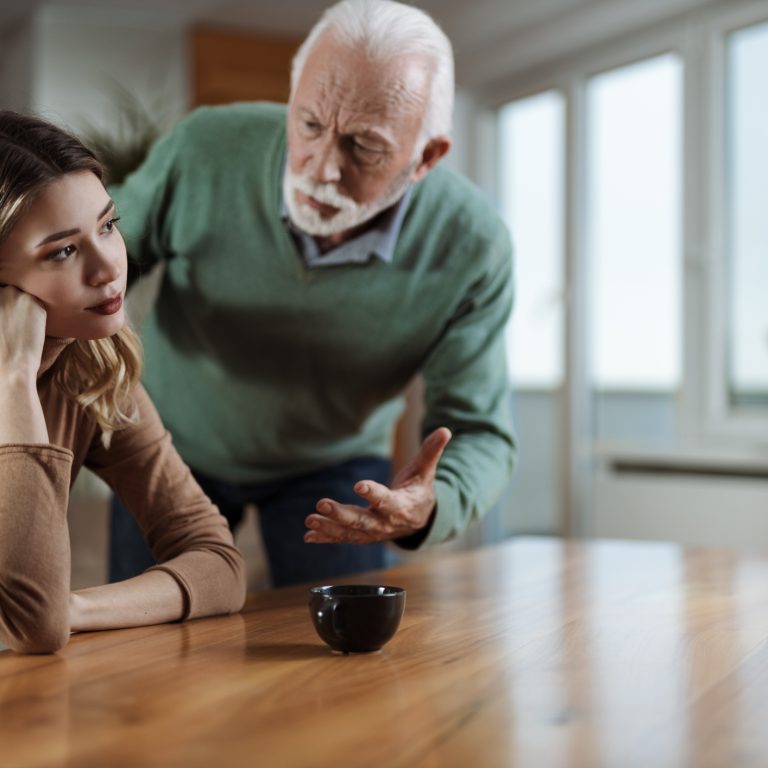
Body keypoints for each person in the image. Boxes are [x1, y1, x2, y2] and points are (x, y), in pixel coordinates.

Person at [109, 0, 516, 587]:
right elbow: (104, 249)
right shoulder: (204, 149)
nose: (322, 168)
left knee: (339, 656)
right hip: (173, 440)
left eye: (364, 146)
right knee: (143, 644)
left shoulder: (473, 245)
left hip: (335, 463)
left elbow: (479, 431)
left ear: (426, 156)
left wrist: (433, 501)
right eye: (309, 125)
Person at [0, 111, 246, 654]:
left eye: (108, 226)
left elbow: (217, 562)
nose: (109, 267)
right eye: (63, 250)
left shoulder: (92, 365)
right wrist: (13, 377)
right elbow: (34, 629)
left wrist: (77, 608)